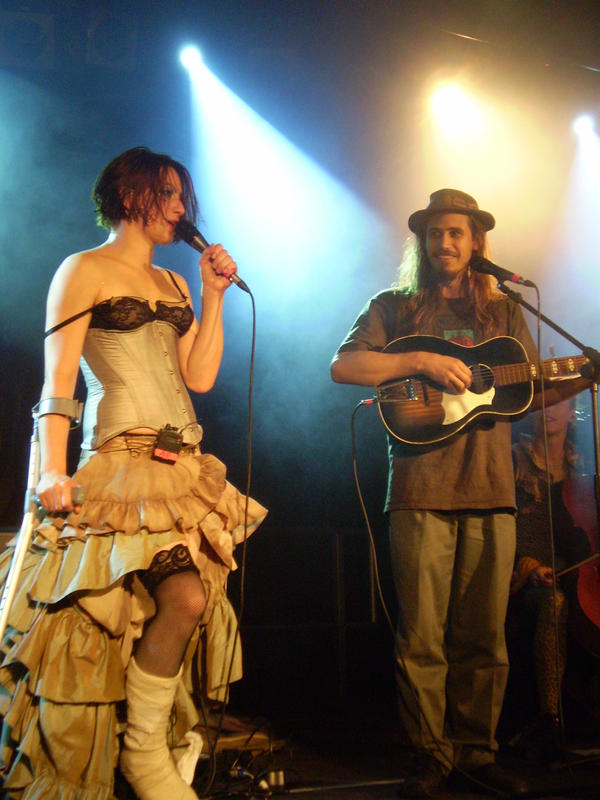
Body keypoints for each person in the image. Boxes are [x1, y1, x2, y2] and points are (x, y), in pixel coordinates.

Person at [0, 146, 267, 800]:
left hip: (179, 467)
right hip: (118, 467)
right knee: (162, 604)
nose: (181, 209)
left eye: (183, 197)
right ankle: (139, 755)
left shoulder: (176, 284)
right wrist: (51, 471)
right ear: (130, 195)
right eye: (168, 194)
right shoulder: (81, 270)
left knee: (187, 602)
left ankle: (145, 745)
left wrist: (211, 293)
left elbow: (199, 377)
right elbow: (58, 383)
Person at [330, 189, 590, 797]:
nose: (446, 243)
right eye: (436, 233)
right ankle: (430, 755)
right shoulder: (394, 307)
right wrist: (418, 359)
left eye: (458, 234)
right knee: (421, 635)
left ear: (477, 242)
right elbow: (345, 366)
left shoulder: (502, 311)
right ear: (422, 241)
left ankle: (477, 752)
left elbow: (520, 392)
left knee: (484, 636)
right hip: (420, 488)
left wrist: (578, 376)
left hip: (493, 488)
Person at [507, 398, 590, 761]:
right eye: (542, 402)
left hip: (576, 573)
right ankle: (549, 722)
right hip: (523, 575)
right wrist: (527, 564)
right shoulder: (511, 458)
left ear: (573, 412)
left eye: (560, 403)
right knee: (554, 604)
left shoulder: (584, 465)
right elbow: (499, 525)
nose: (549, 409)